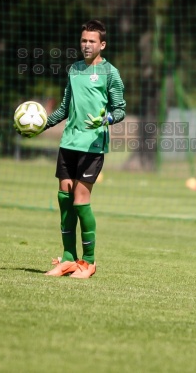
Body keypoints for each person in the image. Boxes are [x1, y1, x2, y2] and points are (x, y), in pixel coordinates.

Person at [15, 20, 126, 278]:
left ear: (102, 44)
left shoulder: (111, 73)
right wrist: (40, 126)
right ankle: (68, 259)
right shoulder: (74, 70)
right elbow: (64, 109)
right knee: (64, 201)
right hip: (69, 143)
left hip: (93, 145)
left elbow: (120, 109)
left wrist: (106, 119)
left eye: (92, 41)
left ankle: (88, 262)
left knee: (80, 202)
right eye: (83, 40)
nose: (86, 45)